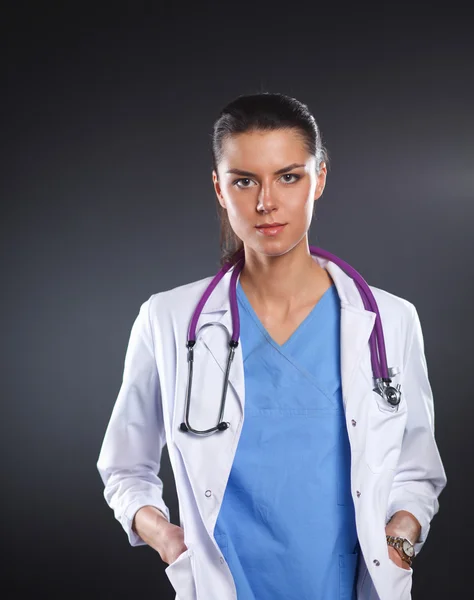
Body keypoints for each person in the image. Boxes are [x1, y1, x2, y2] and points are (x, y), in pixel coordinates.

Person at [96, 92, 447, 600]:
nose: (266, 202)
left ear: (319, 178)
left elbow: (417, 470)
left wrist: (399, 545)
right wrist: (172, 542)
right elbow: (125, 468)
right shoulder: (168, 320)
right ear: (219, 189)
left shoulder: (390, 322)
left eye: (289, 176)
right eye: (244, 181)